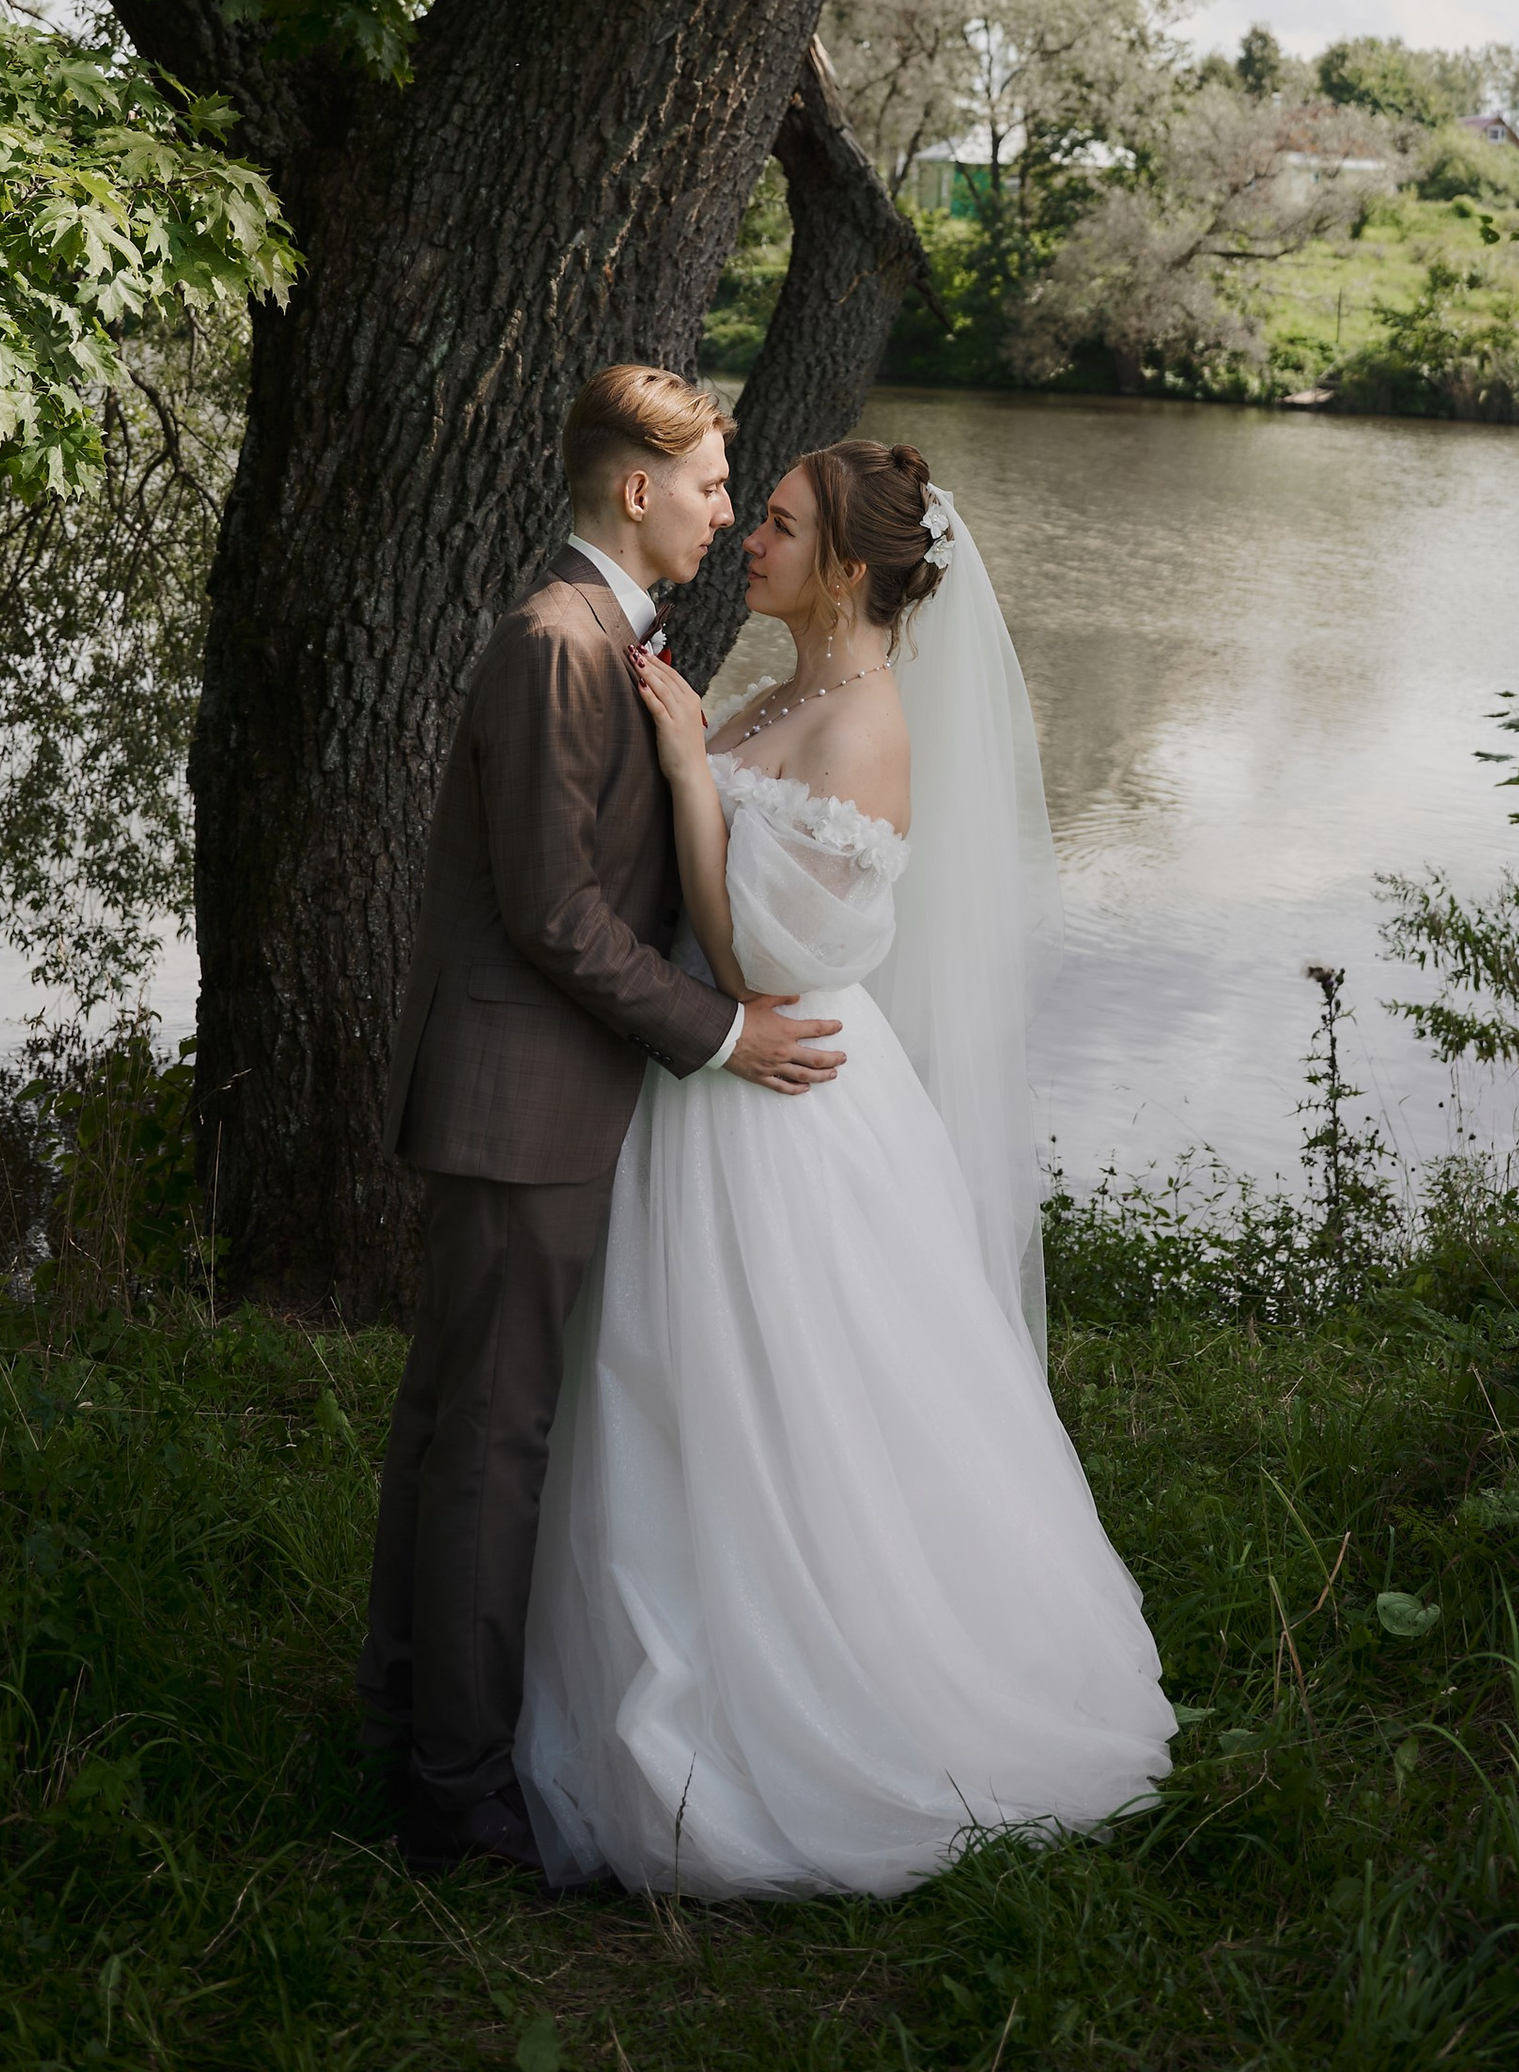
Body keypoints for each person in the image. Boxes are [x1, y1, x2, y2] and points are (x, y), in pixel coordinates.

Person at [517, 436, 1176, 1897]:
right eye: (753, 515)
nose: (749, 539)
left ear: (850, 567)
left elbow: (759, 962)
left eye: (779, 523)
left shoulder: (865, 727)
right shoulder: (781, 693)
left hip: (783, 1102)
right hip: (706, 1088)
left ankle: (817, 1709)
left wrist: (687, 768)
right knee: (662, 1393)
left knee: (786, 1402)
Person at [357, 364, 843, 1876]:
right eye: (710, 486)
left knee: (464, 1425)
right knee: (488, 1438)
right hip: (521, 1103)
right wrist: (720, 1031)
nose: (725, 512)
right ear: (638, 490)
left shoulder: (603, 635)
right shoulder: (556, 642)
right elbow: (555, 911)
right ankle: (456, 1792)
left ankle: (409, 1727)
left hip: (547, 1095)